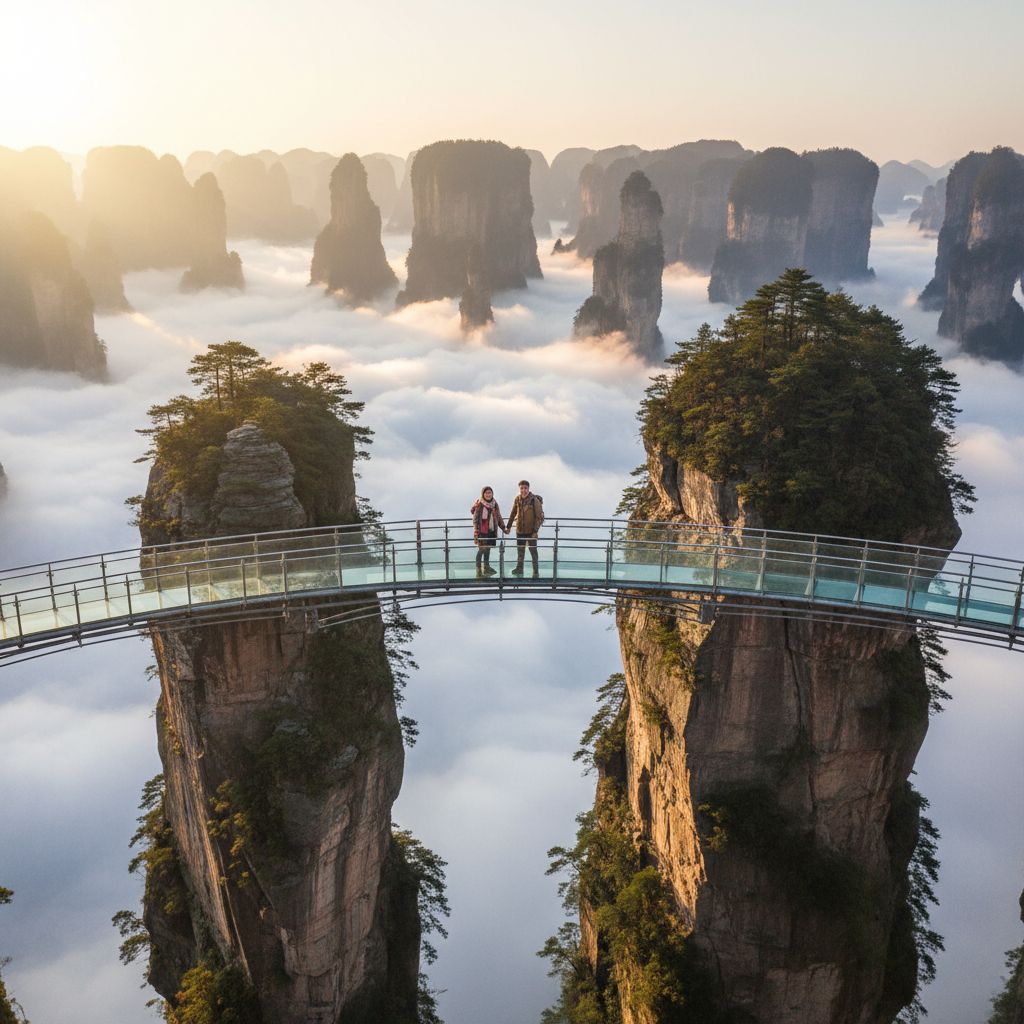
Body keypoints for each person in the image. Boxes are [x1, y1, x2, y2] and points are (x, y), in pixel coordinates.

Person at [506, 479, 544, 577]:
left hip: (531, 531)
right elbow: (513, 513)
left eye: (525, 488)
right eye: (521, 488)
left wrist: (535, 531)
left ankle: (535, 572)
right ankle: (519, 569)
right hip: (520, 530)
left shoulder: (534, 500)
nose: (523, 490)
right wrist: (508, 526)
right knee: (520, 552)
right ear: (519, 489)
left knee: (533, 552)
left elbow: (539, 517)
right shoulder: (517, 499)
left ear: (528, 488)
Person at [470, 486, 506, 577]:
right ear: (483, 494)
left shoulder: (494, 504)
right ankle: (478, 571)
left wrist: (503, 527)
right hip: (482, 532)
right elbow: (475, 519)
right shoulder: (479, 504)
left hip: (491, 530)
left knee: (488, 549)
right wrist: (476, 531)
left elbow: (498, 516)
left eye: (490, 493)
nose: (488, 494)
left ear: (492, 494)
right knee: (481, 550)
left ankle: (486, 568)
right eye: (486, 493)